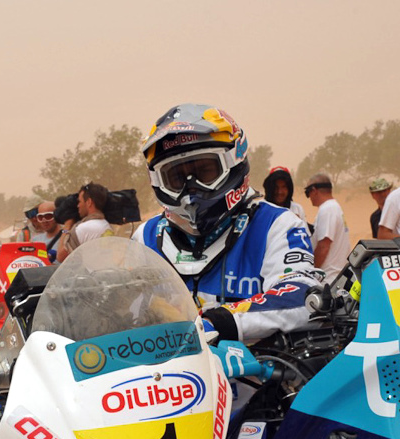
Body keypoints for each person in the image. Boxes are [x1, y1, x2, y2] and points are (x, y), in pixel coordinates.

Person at [133, 103, 320, 343]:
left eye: (205, 171)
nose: (191, 189)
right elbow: (126, 309)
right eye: (176, 178)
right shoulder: (146, 237)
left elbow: (304, 297)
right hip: (166, 366)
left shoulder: (276, 225)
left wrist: (218, 322)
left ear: (233, 161)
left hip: (254, 366)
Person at [305, 173, 350, 281]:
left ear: (314, 190)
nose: (309, 197)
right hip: (335, 276)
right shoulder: (333, 207)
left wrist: (311, 271)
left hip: (329, 277)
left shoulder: (327, 210)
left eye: (307, 193)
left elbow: (323, 246)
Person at [62, 182, 114, 256]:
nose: (78, 205)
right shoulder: (107, 226)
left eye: (79, 201)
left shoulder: (83, 229)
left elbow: (61, 256)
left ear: (89, 202)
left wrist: (67, 226)